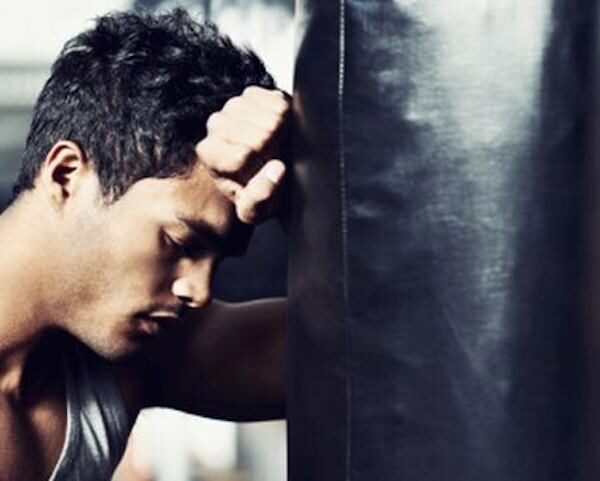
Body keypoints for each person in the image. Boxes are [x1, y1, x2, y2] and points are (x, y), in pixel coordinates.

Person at [0, 8, 290, 481]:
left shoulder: (126, 365)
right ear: (66, 177)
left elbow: (370, 347)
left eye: (217, 259)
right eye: (179, 242)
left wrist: (306, 185)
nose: (198, 291)